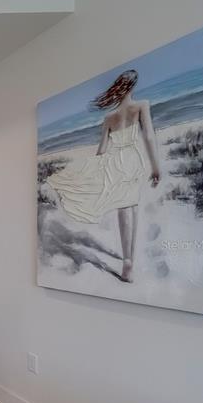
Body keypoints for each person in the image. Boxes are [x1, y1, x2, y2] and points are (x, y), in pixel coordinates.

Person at [46, 69, 161, 282]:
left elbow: (101, 151)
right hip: (133, 160)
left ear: (117, 89)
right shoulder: (141, 105)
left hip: (115, 161)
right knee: (131, 206)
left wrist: (96, 171)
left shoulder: (109, 118)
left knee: (124, 206)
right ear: (132, 87)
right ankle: (128, 261)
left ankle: (128, 260)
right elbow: (149, 137)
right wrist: (156, 167)